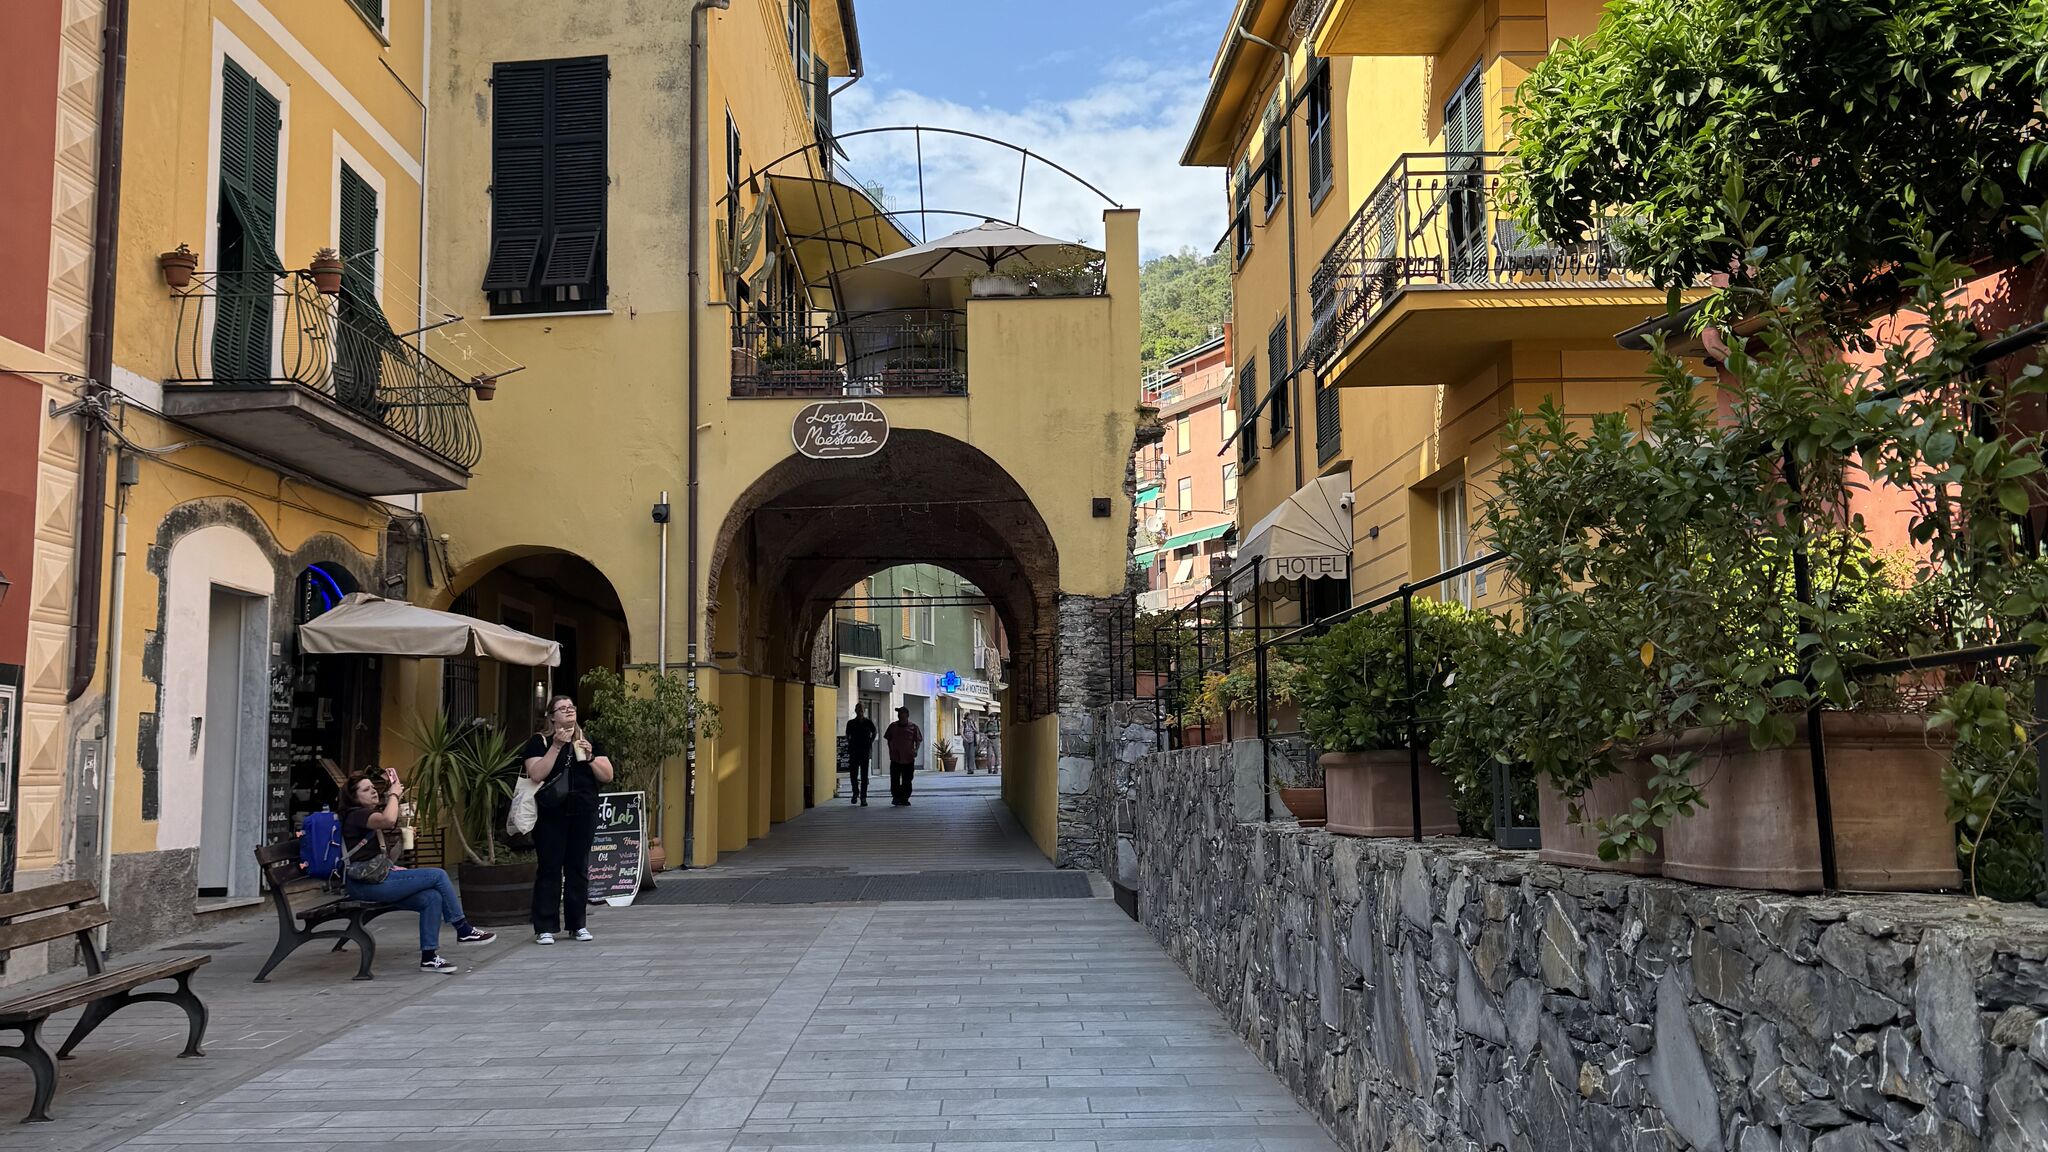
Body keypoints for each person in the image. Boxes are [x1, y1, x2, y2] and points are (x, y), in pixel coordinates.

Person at [338, 768, 495, 973]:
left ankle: (429, 958)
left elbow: (381, 858)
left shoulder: (366, 817)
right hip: (364, 885)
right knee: (438, 875)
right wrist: (394, 794)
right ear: (354, 797)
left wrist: (403, 842)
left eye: (373, 787)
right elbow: (388, 820)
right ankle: (463, 929)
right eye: (366, 790)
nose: (374, 791)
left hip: (375, 879)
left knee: (432, 898)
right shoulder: (357, 815)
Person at [521, 695, 614, 945]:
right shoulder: (539, 742)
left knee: (578, 868)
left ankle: (577, 925)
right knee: (549, 868)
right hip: (551, 813)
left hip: (583, 810)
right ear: (552, 717)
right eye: (562, 708)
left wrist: (590, 757)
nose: (569, 711)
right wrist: (556, 746)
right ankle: (545, 927)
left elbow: (607, 775)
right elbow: (536, 774)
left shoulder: (587, 739)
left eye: (571, 707)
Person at [884, 706, 922, 806]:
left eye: (902, 714)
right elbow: (888, 738)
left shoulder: (913, 727)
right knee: (895, 779)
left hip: (908, 758)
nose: (900, 716)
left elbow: (918, 740)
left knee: (907, 779)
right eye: (899, 714)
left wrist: (916, 750)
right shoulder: (893, 726)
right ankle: (896, 797)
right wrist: (891, 749)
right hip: (895, 758)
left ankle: (905, 798)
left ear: (907, 716)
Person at [843, 705, 876, 806]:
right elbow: (847, 734)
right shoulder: (851, 723)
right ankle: (855, 793)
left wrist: (870, 742)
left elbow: (874, 732)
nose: (860, 712)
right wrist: (850, 743)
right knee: (853, 774)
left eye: (861, 710)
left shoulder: (868, 722)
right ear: (855, 711)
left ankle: (863, 797)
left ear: (864, 710)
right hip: (854, 751)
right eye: (858, 710)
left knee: (864, 776)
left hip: (865, 751)